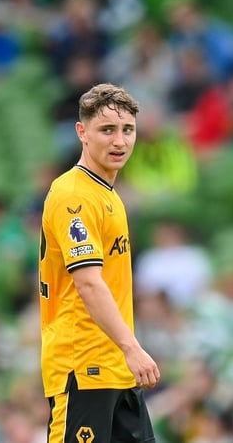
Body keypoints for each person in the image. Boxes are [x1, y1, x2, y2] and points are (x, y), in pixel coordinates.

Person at [38, 83, 160, 442]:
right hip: (83, 366)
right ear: (82, 132)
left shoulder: (107, 194)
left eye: (128, 130)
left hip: (115, 368)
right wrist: (132, 347)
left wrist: (125, 353)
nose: (119, 141)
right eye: (107, 130)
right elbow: (88, 282)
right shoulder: (74, 196)